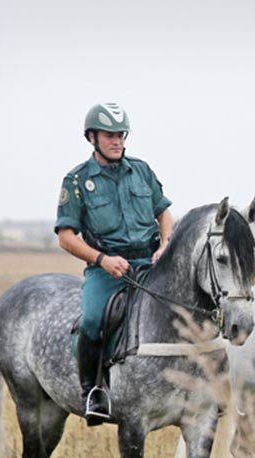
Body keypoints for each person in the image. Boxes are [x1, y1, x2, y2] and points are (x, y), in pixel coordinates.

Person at [54, 102, 174, 426]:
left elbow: (163, 213)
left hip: (149, 261)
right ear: (92, 137)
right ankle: (93, 391)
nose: (117, 141)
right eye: (110, 135)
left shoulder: (142, 171)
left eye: (121, 135)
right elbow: (66, 236)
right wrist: (102, 260)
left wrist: (165, 244)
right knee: (92, 321)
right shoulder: (77, 180)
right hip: (107, 269)